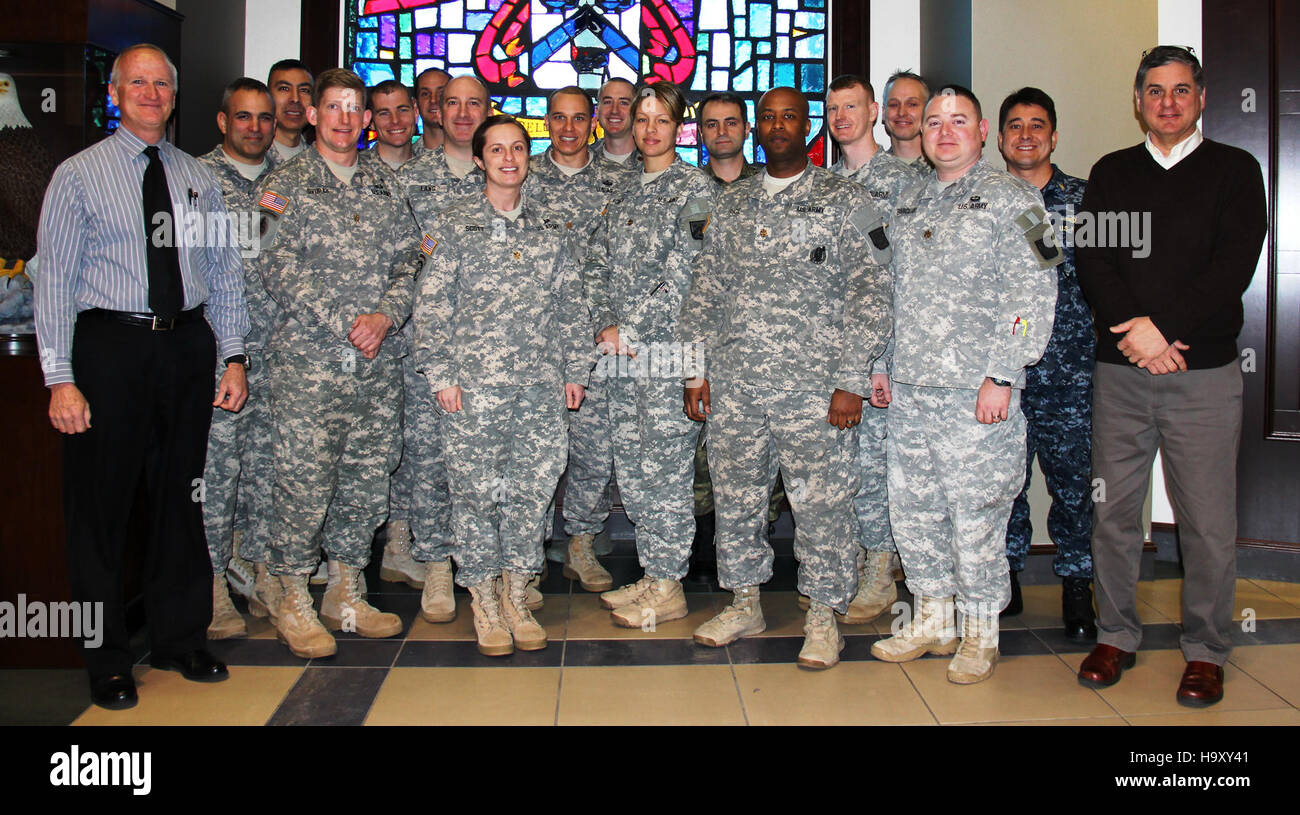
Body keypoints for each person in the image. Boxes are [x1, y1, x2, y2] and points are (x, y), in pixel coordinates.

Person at [34, 43, 249, 709]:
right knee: (101, 510)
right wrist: (59, 376)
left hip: (183, 347)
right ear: (116, 94)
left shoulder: (195, 176)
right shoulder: (78, 175)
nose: (152, 93)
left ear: (174, 95)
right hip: (110, 349)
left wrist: (232, 355)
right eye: (139, 83)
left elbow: (222, 273)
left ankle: (181, 636)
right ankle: (107, 660)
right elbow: (54, 282)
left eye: (162, 84)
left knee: (181, 499)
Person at [1075, 46, 1266, 707]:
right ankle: (1115, 634)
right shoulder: (1112, 172)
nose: (1168, 102)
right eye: (1155, 91)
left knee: (1207, 522)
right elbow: (1093, 258)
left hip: (1203, 373)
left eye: (1181, 90)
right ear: (1138, 100)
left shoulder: (1236, 172)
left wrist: (1162, 331)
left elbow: (1233, 264)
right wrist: (1134, 327)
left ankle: (1208, 648)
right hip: (1121, 372)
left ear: (1202, 97)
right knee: (1114, 515)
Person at [679, 86, 892, 670]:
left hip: (815, 389)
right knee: (738, 497)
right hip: (736, 385)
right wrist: (693, 370)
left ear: (808, 126)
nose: (778, 126)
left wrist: (852, 378)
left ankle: (823, 615)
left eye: (789, 117)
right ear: (757, 129)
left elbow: (871, 293)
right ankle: (744, 600)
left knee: (822, 504)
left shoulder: (845, 199)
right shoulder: (731, 202)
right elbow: (705, 291)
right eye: (768, 117)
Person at [869, 85, 1058, 684]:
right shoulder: (905, 201)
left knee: (976, 514)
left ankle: (980, 632)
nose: (944, 131)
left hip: (978, 394)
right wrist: (879, 362)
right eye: (933, 122)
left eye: (958, 121)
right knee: (915, 508)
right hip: (910, 389)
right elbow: (887, 293)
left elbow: (1035, 295)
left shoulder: (1019, 200)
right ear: (920, 134)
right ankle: (932, 617)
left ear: (982, 132)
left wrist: (1005, 372)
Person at [256, 68, 418, 658]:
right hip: (310, 365)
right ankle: (292, 593)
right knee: (304, 480)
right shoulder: (282, 184)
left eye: (356, 109)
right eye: (335, 107)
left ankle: (347, 589)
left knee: (366, 478)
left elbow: (412, 261)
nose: (347, 118)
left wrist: (383, 318)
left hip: (376, 364)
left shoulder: (385, 183)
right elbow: (270, 260)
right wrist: (341, 319)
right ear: (315, 115)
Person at [414, 115, 590, 656]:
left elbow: (570, 305)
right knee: (473, 493)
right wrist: (441, 375)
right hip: (473, 390)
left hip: (538, 389)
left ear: (527, 158)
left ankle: (516, 591)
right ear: (481, 158)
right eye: (497, 150)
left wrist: (575, 371)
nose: (508, 159)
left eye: (517, 149)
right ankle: (483, 598)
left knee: (531, 494)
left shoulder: (549, 227)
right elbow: (432, 306)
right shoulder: (455, 222)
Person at [585, 81, 714, 628]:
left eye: (662, 120)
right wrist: (602, 323)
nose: (650, 130)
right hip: (618, 357)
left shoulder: (695, 189)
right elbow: (593, 262)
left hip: (665, 355)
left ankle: (669, 584)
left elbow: (686, 275)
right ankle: (651, 568)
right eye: (642, 120)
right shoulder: (625, 190)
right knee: (632, 467)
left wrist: (629, 327)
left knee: (663, 469)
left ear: (678, 127)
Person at [995, 87, 1097, 640]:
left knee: (1074, 484)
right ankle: (1007, 575)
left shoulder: (1085, 201)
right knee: (1004, 481)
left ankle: (1078, 582)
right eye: (1016, 125)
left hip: (1069, 371)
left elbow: (1108, 283)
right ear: (1000, 136)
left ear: (1054, 136)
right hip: (1003, 373)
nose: (1027, 135)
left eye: (1038, 125)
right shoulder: (983, 199)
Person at [393, 73, 489, 624]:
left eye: (474, 103)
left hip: (498, 349)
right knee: (430, 456)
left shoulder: (506, 170)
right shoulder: (412, 180)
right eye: (452, 102)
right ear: (437, 109)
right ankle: (434, 565)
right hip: (429, 347)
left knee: (489, 462)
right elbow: (402, 262)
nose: (461, 112)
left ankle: (497, 567)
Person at [527, 86, 631, 594]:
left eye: (577, 119)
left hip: (596, 335)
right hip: (532, 337)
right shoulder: (522, 176)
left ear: (592, 123)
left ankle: (581, 545)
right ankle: (523, 551)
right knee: (534, 449)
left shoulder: (618, 181)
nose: (568, 128)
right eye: (557, 118)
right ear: (545, 122)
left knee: (594, 445)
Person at [825, 73, 915, 625]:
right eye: (833, 108)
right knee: (842, 465)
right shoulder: (823, 184)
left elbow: (901, 277)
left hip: (882, 355)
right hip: (829, 356)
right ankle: (852, 561)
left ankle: (880, 570)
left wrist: (877, 363)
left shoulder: (905, 182)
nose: (841, 117)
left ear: (873, 111)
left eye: (851, 106)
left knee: (877, 463)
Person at [196, 77, 280, 640]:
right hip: (217, 352)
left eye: (264, 118)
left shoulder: (292, 180)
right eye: (243, 117)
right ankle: (210, 588)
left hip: (284, 353)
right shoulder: (194, 178)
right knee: (216, 473)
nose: (255, 128)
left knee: (271, 471)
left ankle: (261, 575)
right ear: (224, 121)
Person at [698, 92, 761, 184]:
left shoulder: (768, 184)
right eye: (712, 125)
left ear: (746, 129)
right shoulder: (684, 188)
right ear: (701, 133)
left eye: (731, 123)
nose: (722, 132)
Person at [882, 70, 932, 177]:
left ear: (928, 111)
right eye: (894, 104)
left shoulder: (944, 170)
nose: (901, 113)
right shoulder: (869, 171)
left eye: (912, 104)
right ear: (883, 113)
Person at [267, 59, 313, 163]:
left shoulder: (319, 162)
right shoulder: (254, 159)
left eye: (304, 90)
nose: (295, 99)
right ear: (267, 96)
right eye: (284, 89)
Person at [593, 78, 639, 168]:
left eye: (623, 103)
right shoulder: (581, 160)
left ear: (636, 111)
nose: (614, 110)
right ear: (597, 111)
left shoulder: (654, 160)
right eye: (607, 102)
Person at [414, 67, 450, 153]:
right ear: (415, 105)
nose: (433, 100)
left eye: (441, 93)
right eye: (425, 94)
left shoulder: (478, 154)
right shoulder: (407, 160)